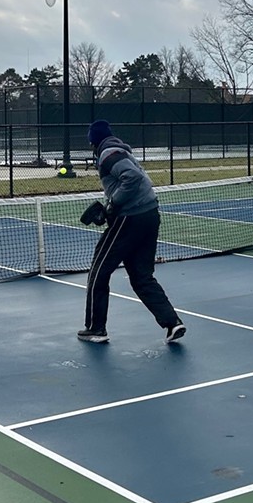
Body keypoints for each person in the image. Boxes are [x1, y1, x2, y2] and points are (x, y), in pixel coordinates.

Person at [78, 119, 186, 345]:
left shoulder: (108, 153)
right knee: (141, 276)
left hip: (130, 217)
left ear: (93, 142)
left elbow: (132, 178)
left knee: (99, 270)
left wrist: (112, 205)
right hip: (149, 215)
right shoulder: (121, 150)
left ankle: (96, 328)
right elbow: (134, 179)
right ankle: (172, 323)